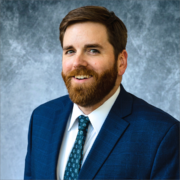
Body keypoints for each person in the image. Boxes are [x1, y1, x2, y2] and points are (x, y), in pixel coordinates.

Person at [24, 6, 179, 180]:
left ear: (121, 62)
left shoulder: (161, 135)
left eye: (93, 50)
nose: (77, 62)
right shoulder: (41, 119)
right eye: (70, 51)